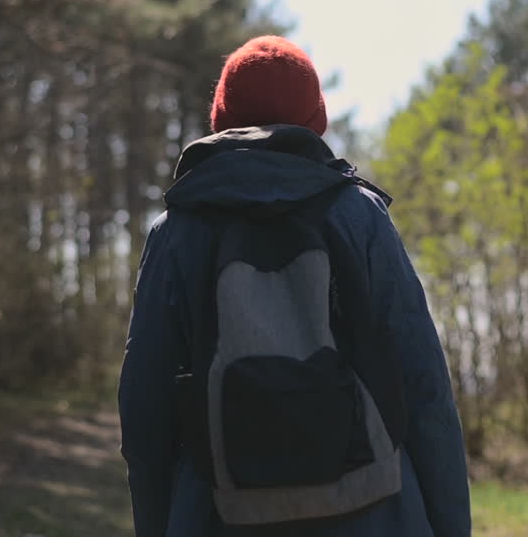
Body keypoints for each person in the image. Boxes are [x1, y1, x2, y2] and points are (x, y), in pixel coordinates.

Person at [118, 35, 471, 537]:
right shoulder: (359, 216)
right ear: (316, 122)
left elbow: (144, 410)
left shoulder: (176, 231)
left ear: (221, 119)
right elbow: (425, 388)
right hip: (374, 509)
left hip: (219, 510)